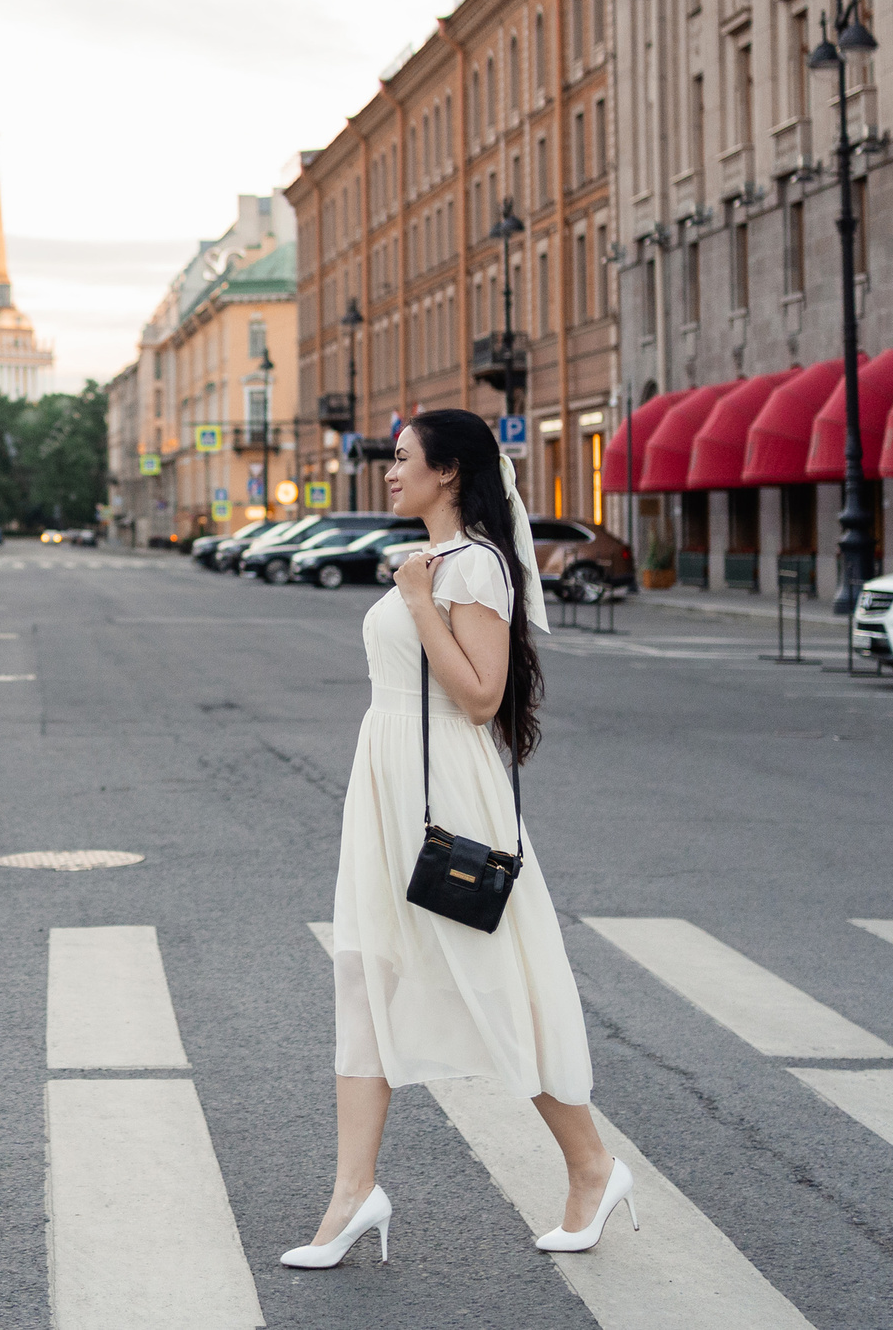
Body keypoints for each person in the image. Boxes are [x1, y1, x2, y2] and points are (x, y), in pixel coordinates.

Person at [282, 409, 634, 1269]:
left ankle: (592, 1166)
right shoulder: (434, 561)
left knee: (496, 978)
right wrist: (413, 588)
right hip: (389, 782)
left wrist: (416, 601)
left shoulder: (474, 566)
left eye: (402, 459)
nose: (388, 471)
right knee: (367, 974)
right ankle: (352, 1193)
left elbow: (481, 696)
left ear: (448, 471)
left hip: (450, 794)